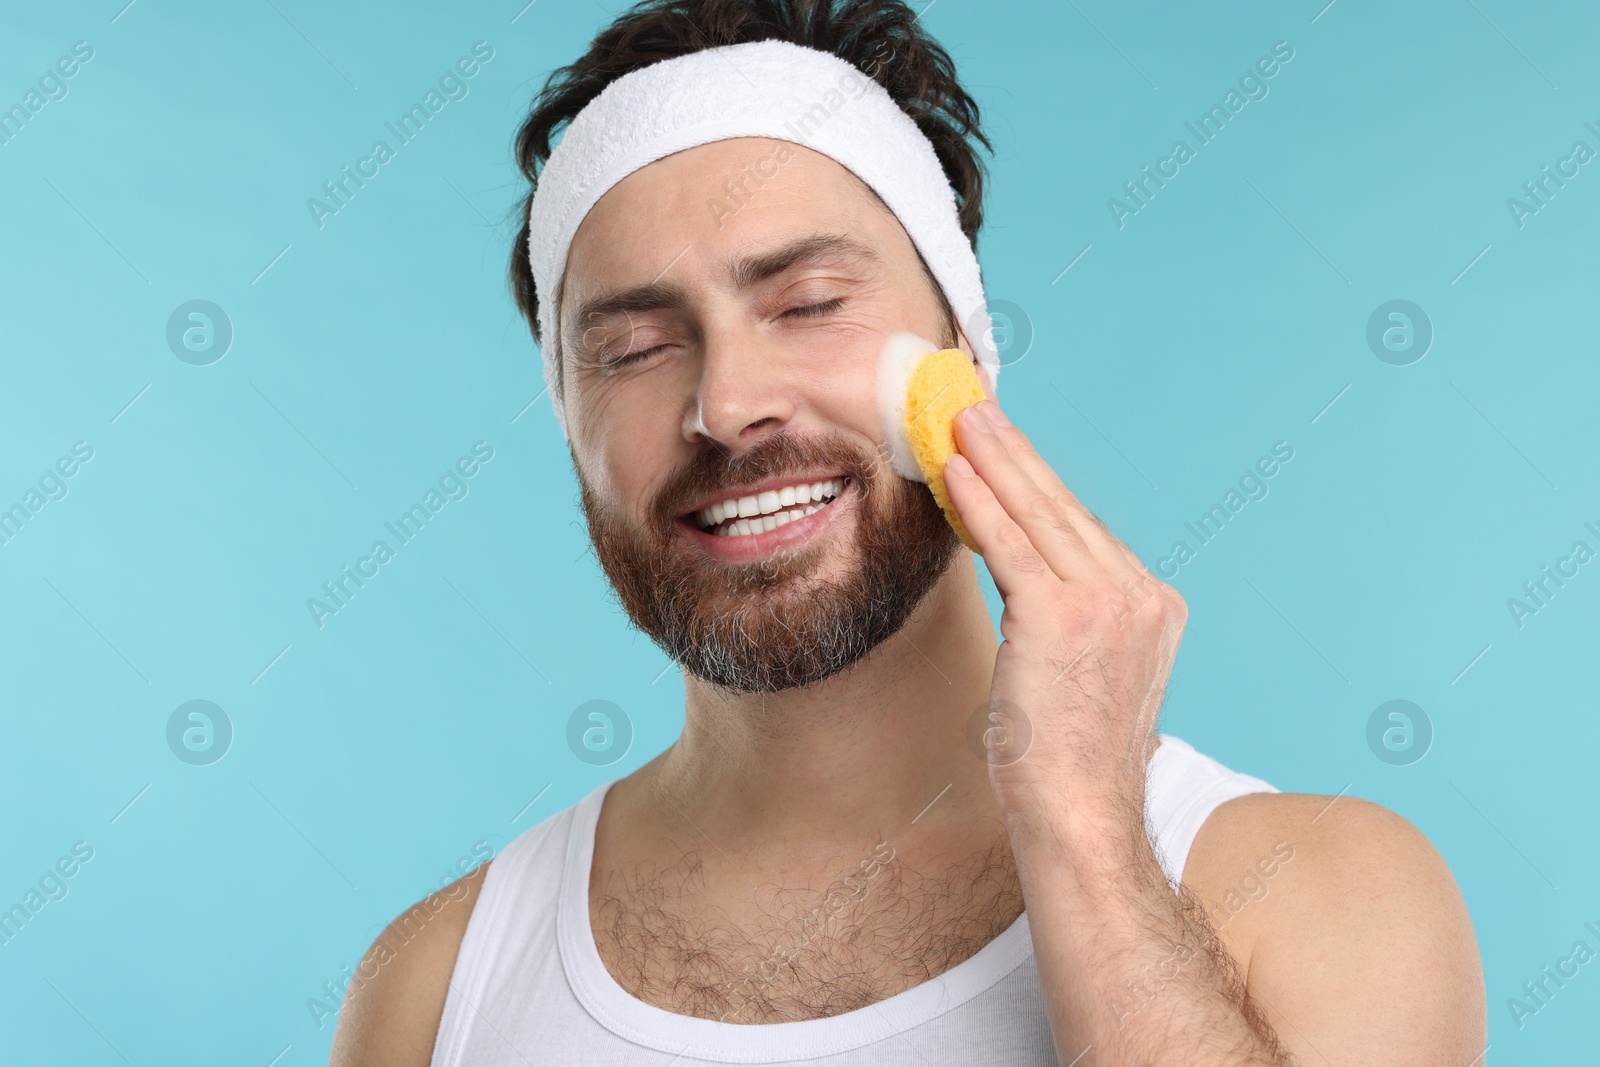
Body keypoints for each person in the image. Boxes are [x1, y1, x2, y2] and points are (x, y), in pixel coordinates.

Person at [330, 2, 1486, 1063]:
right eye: (633, 349)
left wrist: (1081, 827)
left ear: (964, 356)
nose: (728, 405)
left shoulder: (1329, 900)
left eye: (810, 303)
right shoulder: (431, 992)